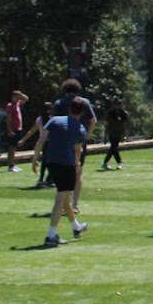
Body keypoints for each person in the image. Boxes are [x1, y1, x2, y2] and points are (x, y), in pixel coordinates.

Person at [38, 96, 90, 246]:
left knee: (66, 197)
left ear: (69, 108)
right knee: (61, 199)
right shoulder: (80, 128)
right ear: (82, 113)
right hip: (66, 164)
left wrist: (34, 158)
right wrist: (77, 164)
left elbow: (42, 139)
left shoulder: (54, 120)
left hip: (51, 163)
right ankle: (51, 236)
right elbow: (78, 149)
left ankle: (76, 227)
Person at [52, 79, 96, 214]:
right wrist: (87, 135)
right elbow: (93, 120)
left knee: (64, 173)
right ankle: (75, 204)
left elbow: (56, 122)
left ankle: (64, 203)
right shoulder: (84, 102)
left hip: (63, 143)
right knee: (78, 172)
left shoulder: (59, 103)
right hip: (79, 140)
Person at [3, 90, 29, 171]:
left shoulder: (17, 104)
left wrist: (20, 95)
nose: (19, 98)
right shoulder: (10, 105)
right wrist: (9, 130)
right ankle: (10, 166)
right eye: (17, 96)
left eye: (19, 97)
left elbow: (26, 98)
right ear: (13, 96)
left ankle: (13, 164)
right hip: (13, 129)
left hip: (18, 128)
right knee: (11, 147)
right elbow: (8, 119)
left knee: (14, 147)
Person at [99, 98, 129, 170]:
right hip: (111, 133)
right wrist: (105, 136)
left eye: (119, 104)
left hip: (119, 133)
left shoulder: (123, 114)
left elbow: (124, 125)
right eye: (116, 104)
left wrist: (123, 135)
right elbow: (107, 125)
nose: (117, 106)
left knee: (114, 148)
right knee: (114, 147)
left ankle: (106, 163)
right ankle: (119, 163)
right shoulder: (110, 113)